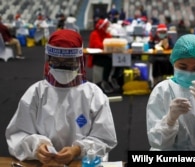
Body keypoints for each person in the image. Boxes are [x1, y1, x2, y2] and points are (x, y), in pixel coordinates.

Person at [5, 29, 117, 166]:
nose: (62, 67)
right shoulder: (36, 93)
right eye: (57, 62)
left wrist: (77, 150)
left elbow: (105, 138)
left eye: (69, 62)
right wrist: (37, 148)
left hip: (82, 163)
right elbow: (17, 134)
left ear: (79, 60)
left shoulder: (94, 95)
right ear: (49, 60)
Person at [88, 18, 120, 93]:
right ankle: (104, 81)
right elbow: (97, 45)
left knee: (118, 61)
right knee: (108, 63)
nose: (107, 28)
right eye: (106, 27)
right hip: (97, 57)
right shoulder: (94, 34)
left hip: (107, 55)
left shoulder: (106, 34)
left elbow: (111, 42)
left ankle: (114, 78)